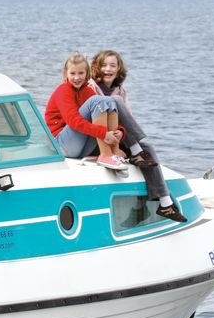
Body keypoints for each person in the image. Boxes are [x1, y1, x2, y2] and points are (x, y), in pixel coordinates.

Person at [45, 53, 187, 223]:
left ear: (87, 73)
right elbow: (74, 121)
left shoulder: (90, 90)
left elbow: (111, 119)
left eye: (81, 73)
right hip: (62, 143)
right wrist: (104, 134)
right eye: (73, 73)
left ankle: (163, 202)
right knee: (104, 101)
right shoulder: (64, 90)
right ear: (66, 74)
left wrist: (120, 132)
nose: (77, 77)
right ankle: (109, 154)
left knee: (141, 141)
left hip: (84, 140)